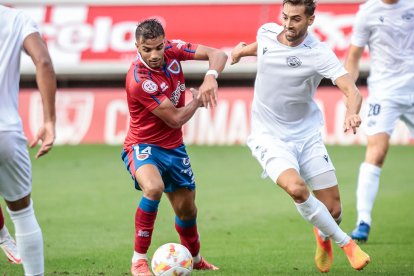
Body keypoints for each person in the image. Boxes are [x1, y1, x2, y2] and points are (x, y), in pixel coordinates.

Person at [231, 0, 371, 272]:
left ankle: (323, 234)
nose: (288, 24)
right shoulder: (267, 32)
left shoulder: (318, 53)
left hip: (307, 136)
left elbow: (351, 90)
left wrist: (351, 113)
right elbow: (262, 47)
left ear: (311, 20)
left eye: (296, 19)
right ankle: (347, 244)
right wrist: (241, 52)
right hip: (268, 136)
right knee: (296, 188)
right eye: (285, 17)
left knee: (334, 212)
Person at [121, 19, 227, 276]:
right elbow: (176, 118)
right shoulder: (139, 80)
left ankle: (196, 258)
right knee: (154, 188)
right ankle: (138, 261)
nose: (155, 55)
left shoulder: (173, 50)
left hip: (174, 148)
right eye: (147, 49)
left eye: (159, 47)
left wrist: (211, 77)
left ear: (165, 42)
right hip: (142, 145)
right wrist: (197, 100)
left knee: (187, 209)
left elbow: (219, 54)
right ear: (137, 46)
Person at [345, 0, 414, 242]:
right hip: (385, 92)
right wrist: (349, 92)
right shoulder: (368, 12)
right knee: (377, 151)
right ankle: (363, 221)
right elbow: (353, 57)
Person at [0, 5, 57, 276]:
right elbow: (43, 62)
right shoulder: (17, 18)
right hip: (6, 132)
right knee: (22, 214)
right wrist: (49, 121)